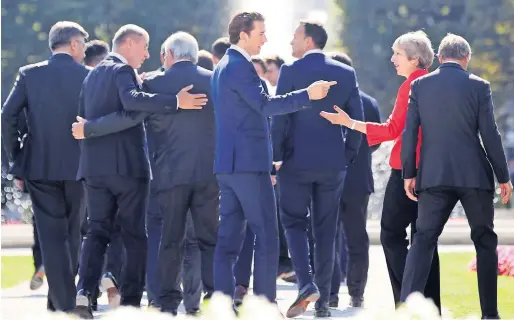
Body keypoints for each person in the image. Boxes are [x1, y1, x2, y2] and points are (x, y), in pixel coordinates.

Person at [72, 24, 207, 319]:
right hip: (126, 168)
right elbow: (133, 107)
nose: (147, 55)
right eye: (145, 47)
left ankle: (84, 292)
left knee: (96, 231)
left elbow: (86, 117)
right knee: (135, 236)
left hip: (93, 168)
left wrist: (92, 129)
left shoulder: (92, 74)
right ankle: (132, 301)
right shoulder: (123, 72)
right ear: (129, 43)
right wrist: (174, 102)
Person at [211, 11, 336, 310]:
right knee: (267, 236)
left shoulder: (223, 66)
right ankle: (265, 307)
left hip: (229, 166)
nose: (265, 39)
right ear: (243, 34)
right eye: (260, 33)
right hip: (248, 166)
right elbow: (265, 105)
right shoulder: (239, 66)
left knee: (228, 242)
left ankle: (221, 307)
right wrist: (308, 94)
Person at [320, 30, 441, 312]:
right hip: (432, 172)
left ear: (414, 58)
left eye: (397, 53)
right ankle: (428, 304)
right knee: (424, 241)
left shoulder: (410, 86)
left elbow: (391, 129)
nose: (392, 59)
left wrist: (350, 123)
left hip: (406, 171)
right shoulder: (434, 83)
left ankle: (408, 298)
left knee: (390, 234)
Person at [400, 33, 512, 319]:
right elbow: (490, 134)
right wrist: (503, 176)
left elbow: (410, 133)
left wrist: (409, 174)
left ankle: (405, 310)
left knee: (423, 240)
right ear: (467, 58)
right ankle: (490, 314)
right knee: (485, 241)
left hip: (434, 175)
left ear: (439, 57)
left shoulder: (420, 86)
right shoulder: (479, 86)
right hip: (474, 175)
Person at [271, 21, 363, 318]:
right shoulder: (346, 73)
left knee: (293, 223)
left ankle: (306, 283)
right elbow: (356, 123)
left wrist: (276, 157)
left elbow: (281, 118)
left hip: (296, 163)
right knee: (326, 231)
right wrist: (345, 156)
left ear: (308, 41)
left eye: (295, 36)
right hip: (332, 165)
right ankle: (322, 304)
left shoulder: (291, 71)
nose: (290, 42)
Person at [1, 21, 90, 313]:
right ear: (74, 45)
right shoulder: (89, 76)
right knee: (73, 233)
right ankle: (64, 303)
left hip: (38, 166)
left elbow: (7, 117)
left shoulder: (29, 75)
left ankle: (59, 302)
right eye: (84, 44)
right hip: (80, 166)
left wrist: (17, 157)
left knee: (52, 236)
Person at [327, 51, 381, 309]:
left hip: (328, 179)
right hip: (358, 179)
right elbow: (376, 140)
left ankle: (331, 294)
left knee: (328, 238)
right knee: (357, 238)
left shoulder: (322, 102)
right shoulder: (368, 103)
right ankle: (357, 292)